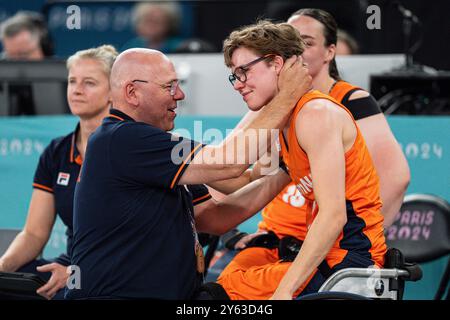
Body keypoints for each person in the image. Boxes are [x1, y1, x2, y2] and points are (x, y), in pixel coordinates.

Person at [64, 48, 311, 300]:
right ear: (132, 92)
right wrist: (288, 93)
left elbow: (215, 217)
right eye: (169, 86)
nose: (180, 95)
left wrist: (286, 169)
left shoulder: (153, 149)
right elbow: (231, 161)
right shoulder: (121, 139)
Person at [213, 20, 388, 300]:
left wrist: (284, 292)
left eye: (244, 71)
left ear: (277, 63)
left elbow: (333, 216)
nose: (238, 84)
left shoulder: (315, 113)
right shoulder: (288, 120)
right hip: (319, 255)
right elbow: (242, 181)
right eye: (235, 75)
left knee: (216, 296)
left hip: (349, 264)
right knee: (219, 286)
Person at [0, 45, 118, 300]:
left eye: (89, 83)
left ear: (113, 92)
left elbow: (135, 239)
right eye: (72, 81)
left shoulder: (128, 148)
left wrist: (78, 273)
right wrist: (3, 268)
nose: (76, 90)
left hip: (116, 268)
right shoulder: (56, 151)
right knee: (12, 284)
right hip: (68, 264)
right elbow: (34, 233)